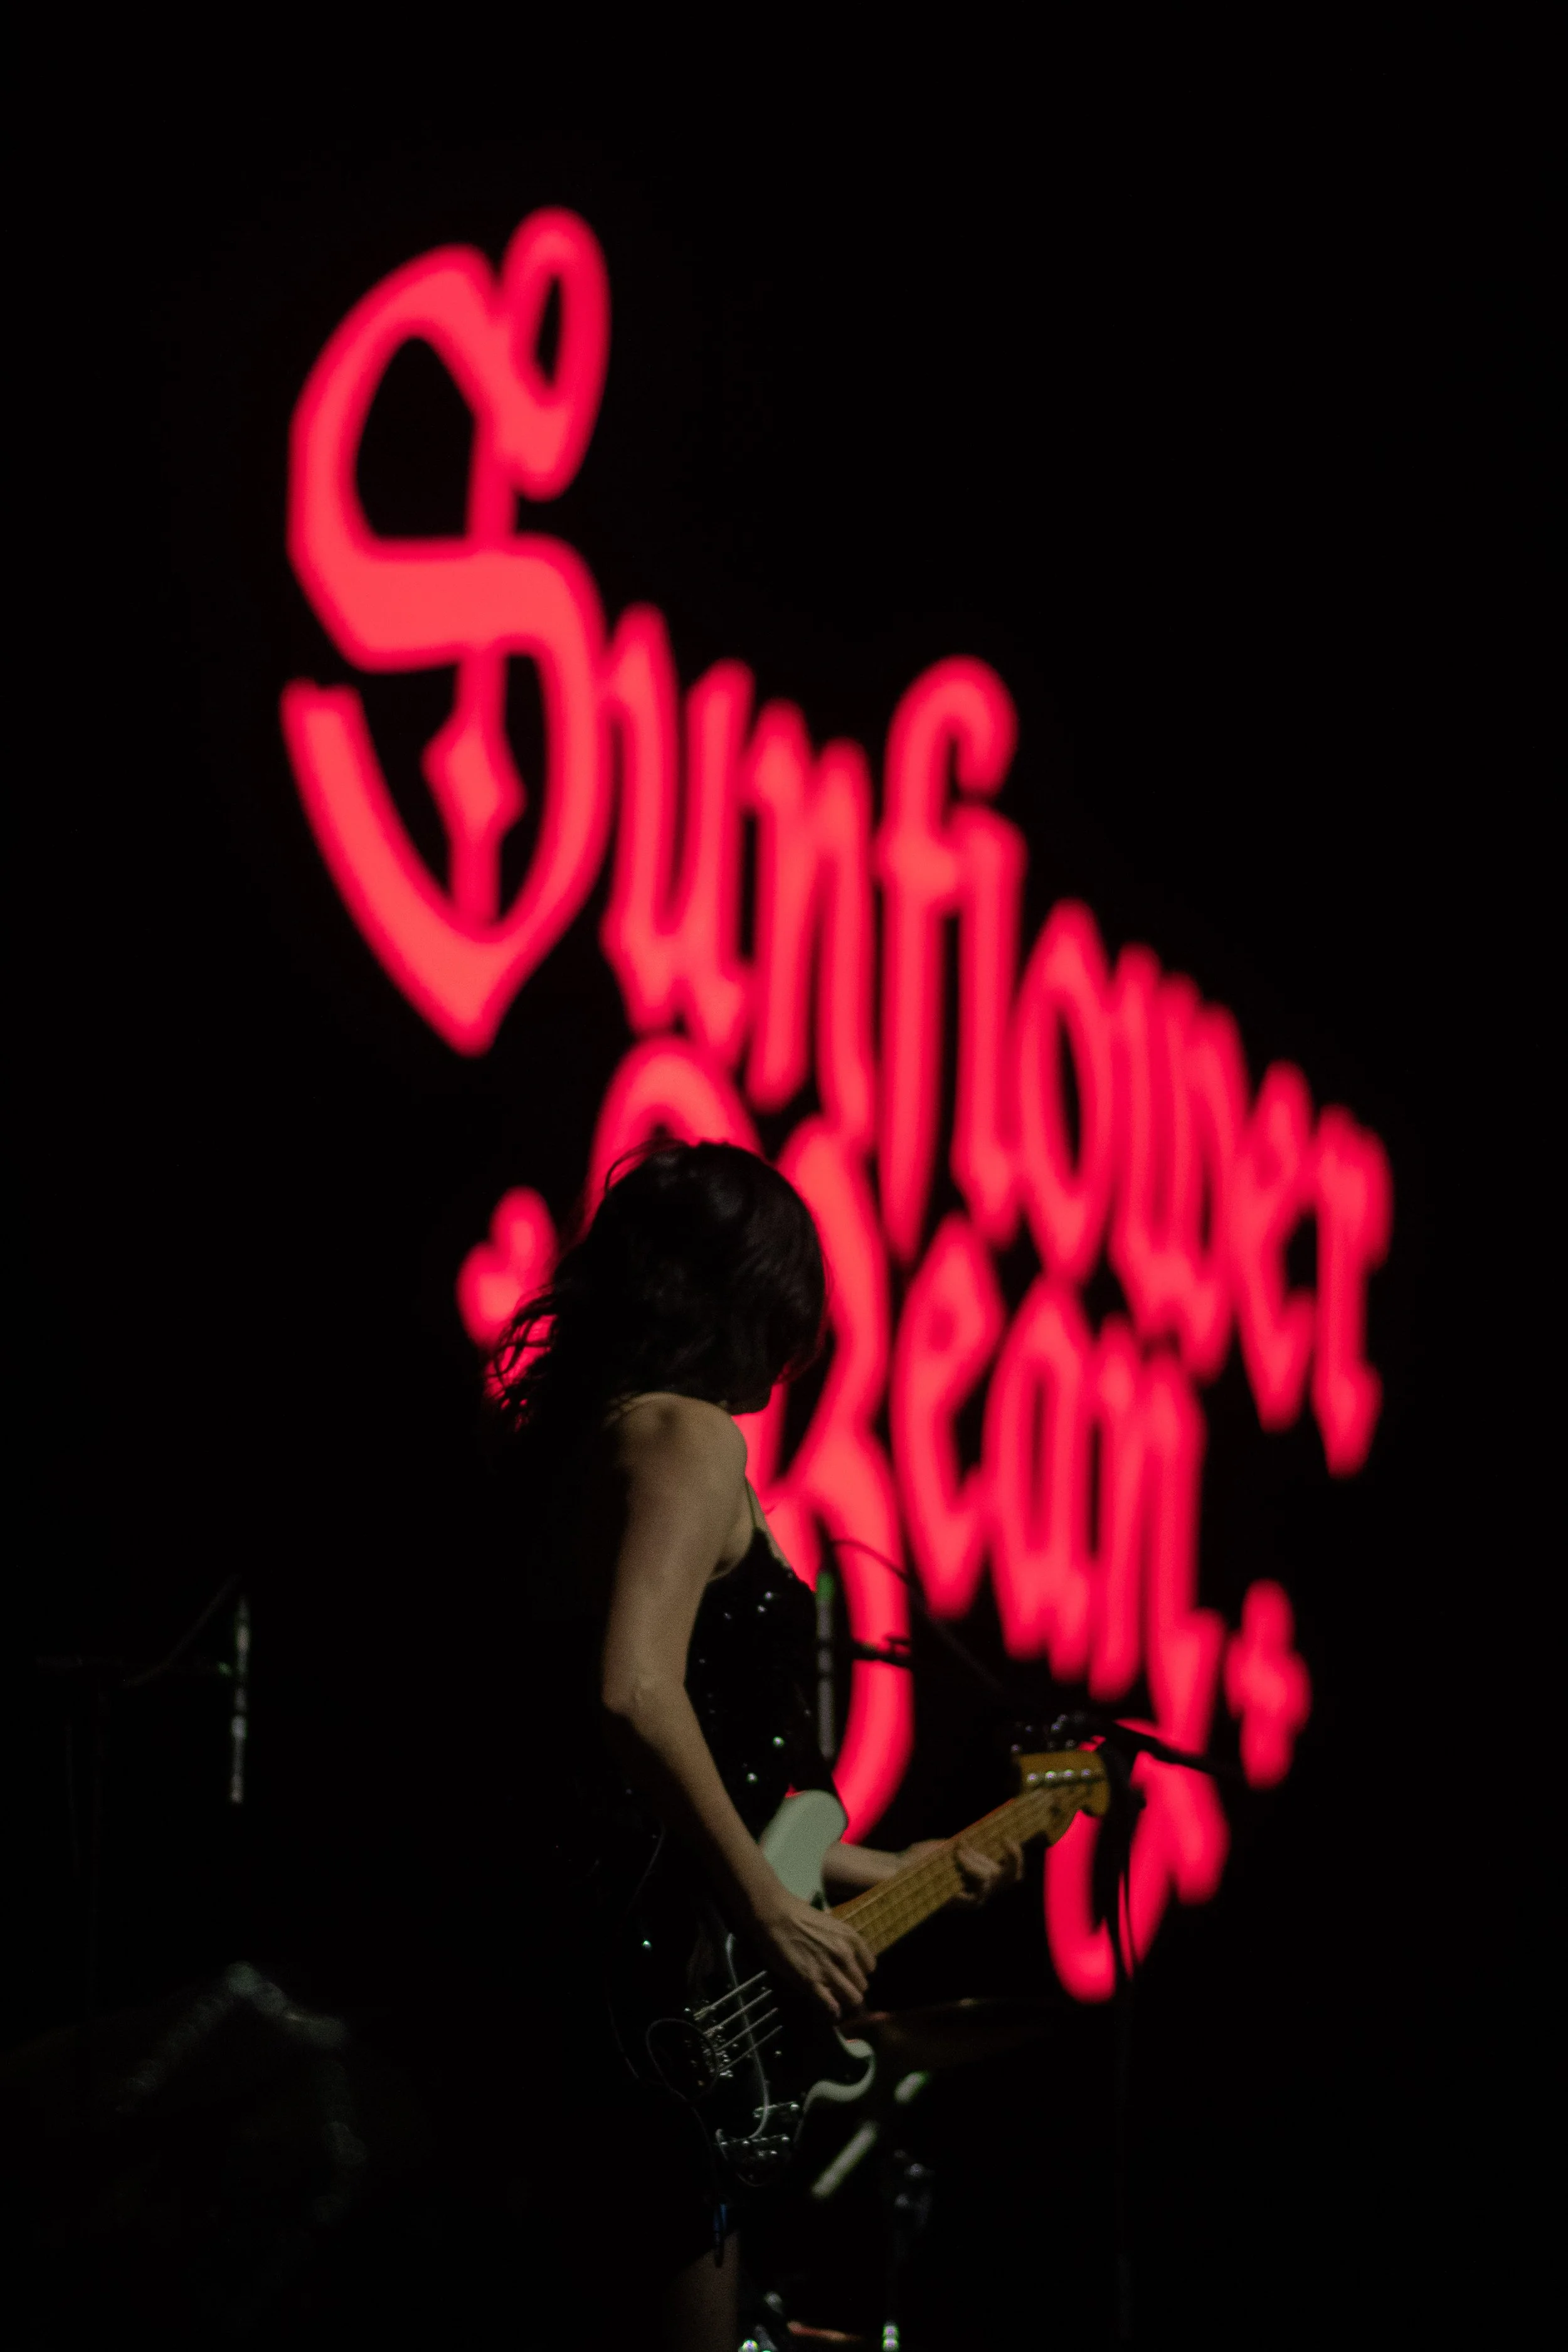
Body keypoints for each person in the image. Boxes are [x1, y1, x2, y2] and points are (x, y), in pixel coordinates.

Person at [492, 1142, 1021, 2349]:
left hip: (570, 1954)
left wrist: (909, 1871)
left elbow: (682, 1785)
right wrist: (772, 1914)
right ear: (755, 1292)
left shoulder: (575, 1442)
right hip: (643, 1995)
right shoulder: (687, 1435)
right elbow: (634, 1694)